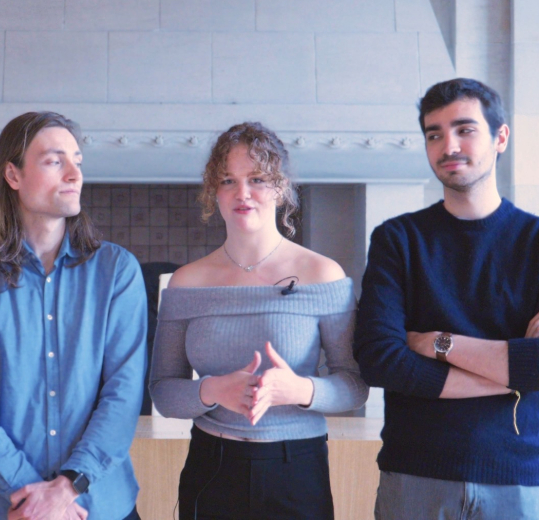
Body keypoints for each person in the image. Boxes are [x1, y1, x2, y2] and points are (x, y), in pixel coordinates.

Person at [150, 121, 369, 520]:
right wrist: (213, 390)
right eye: (228, 180)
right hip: (211, 464)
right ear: (212, 192)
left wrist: (300, 389)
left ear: (281, 186)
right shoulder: (186, 282)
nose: (243, 193)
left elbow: (354, 386)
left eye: (257, 179)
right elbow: (163, 392)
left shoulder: (323, 275)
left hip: (296, 467)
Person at [0, 111, 147, 520]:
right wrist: (33, 499)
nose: (74, 174)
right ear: (13, 175)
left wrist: (67, 488)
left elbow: (123, 396)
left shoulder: (117, 270)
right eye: (55, 161)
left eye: (77, 161)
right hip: (8, 508)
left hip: (101, 507)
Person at [354, 77, 539, 519]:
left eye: (464, 129)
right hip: (415, 472)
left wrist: (437, 342)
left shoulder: (535, 241)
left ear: (501, 137)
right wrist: (512, 371)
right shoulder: (397, 239)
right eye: (434, 134)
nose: (448, 144)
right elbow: (379, 358)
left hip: (517, 477)